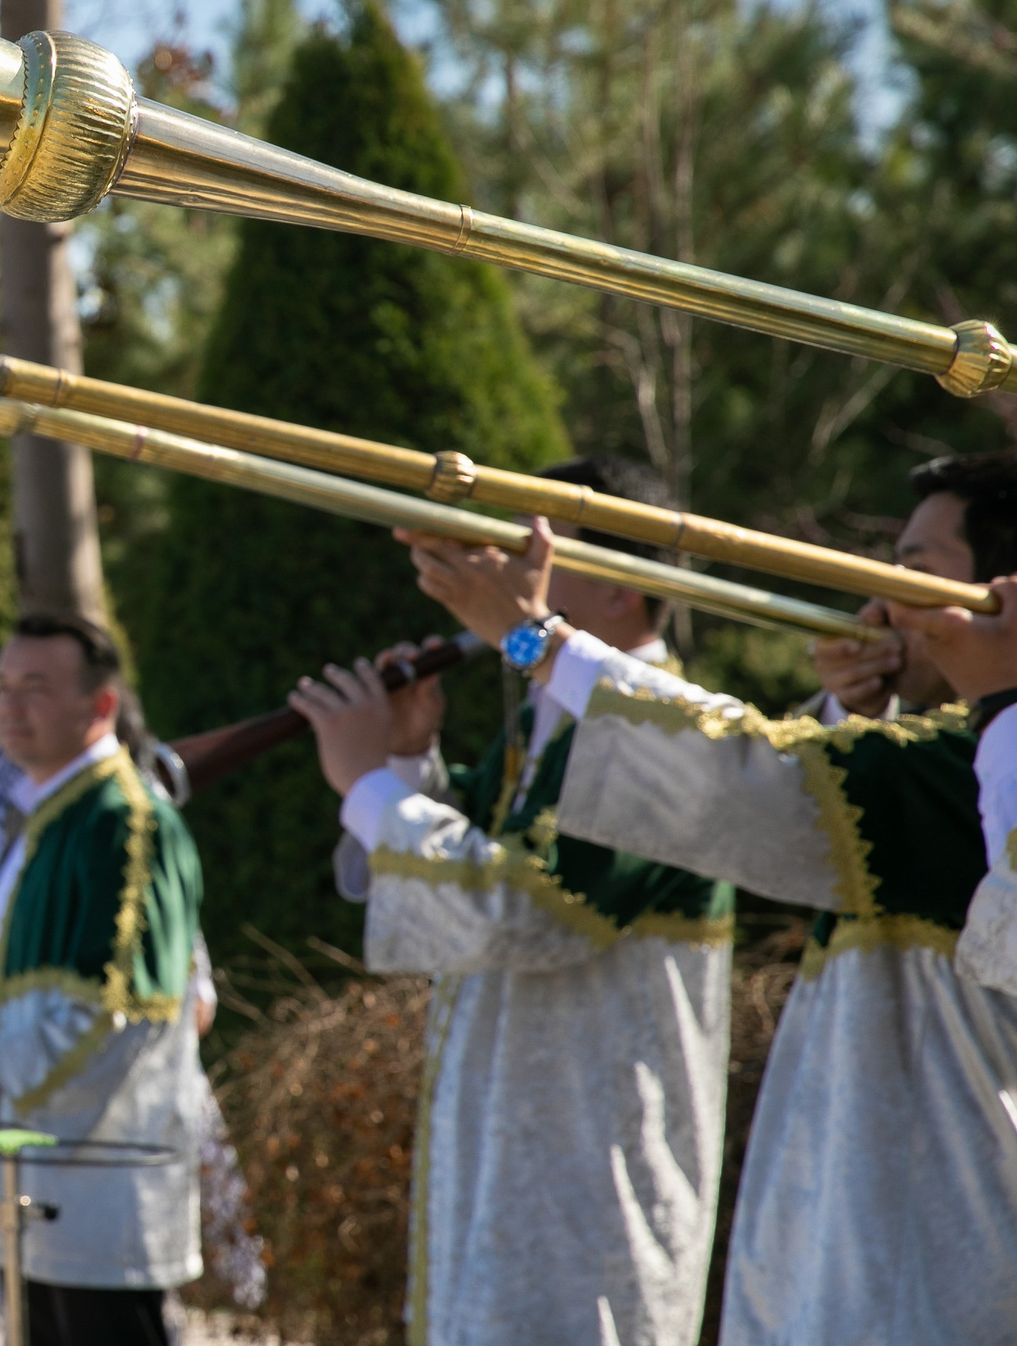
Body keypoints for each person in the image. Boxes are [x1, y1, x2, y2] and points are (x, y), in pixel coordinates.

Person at [396, 450, 1017, 1346]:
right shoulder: (947, 747)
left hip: (930, 1271)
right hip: (875, 1253)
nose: (878, 604)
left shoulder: (966, 760)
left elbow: (740, 778)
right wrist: (853, 712)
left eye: (912, 574)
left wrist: (533, 638)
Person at [288, 454, 734, 1346]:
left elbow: (524, 911)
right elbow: (478, 885)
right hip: (516, 1157)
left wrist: (370, 788)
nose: (510, 574)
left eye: (540, 548)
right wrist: (414, 762)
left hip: (593, 1174)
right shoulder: (552, 719)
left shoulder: (670, 720)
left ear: (623, 586)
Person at [0, 614, 208, 1346]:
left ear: (99, 705)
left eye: (34, 688)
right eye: (2, 687)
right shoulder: (50, 817)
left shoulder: (127, 821)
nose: (9, 707)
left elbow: (122, 1012)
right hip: (42, 1181)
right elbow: (45, 995)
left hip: (105, 1190)